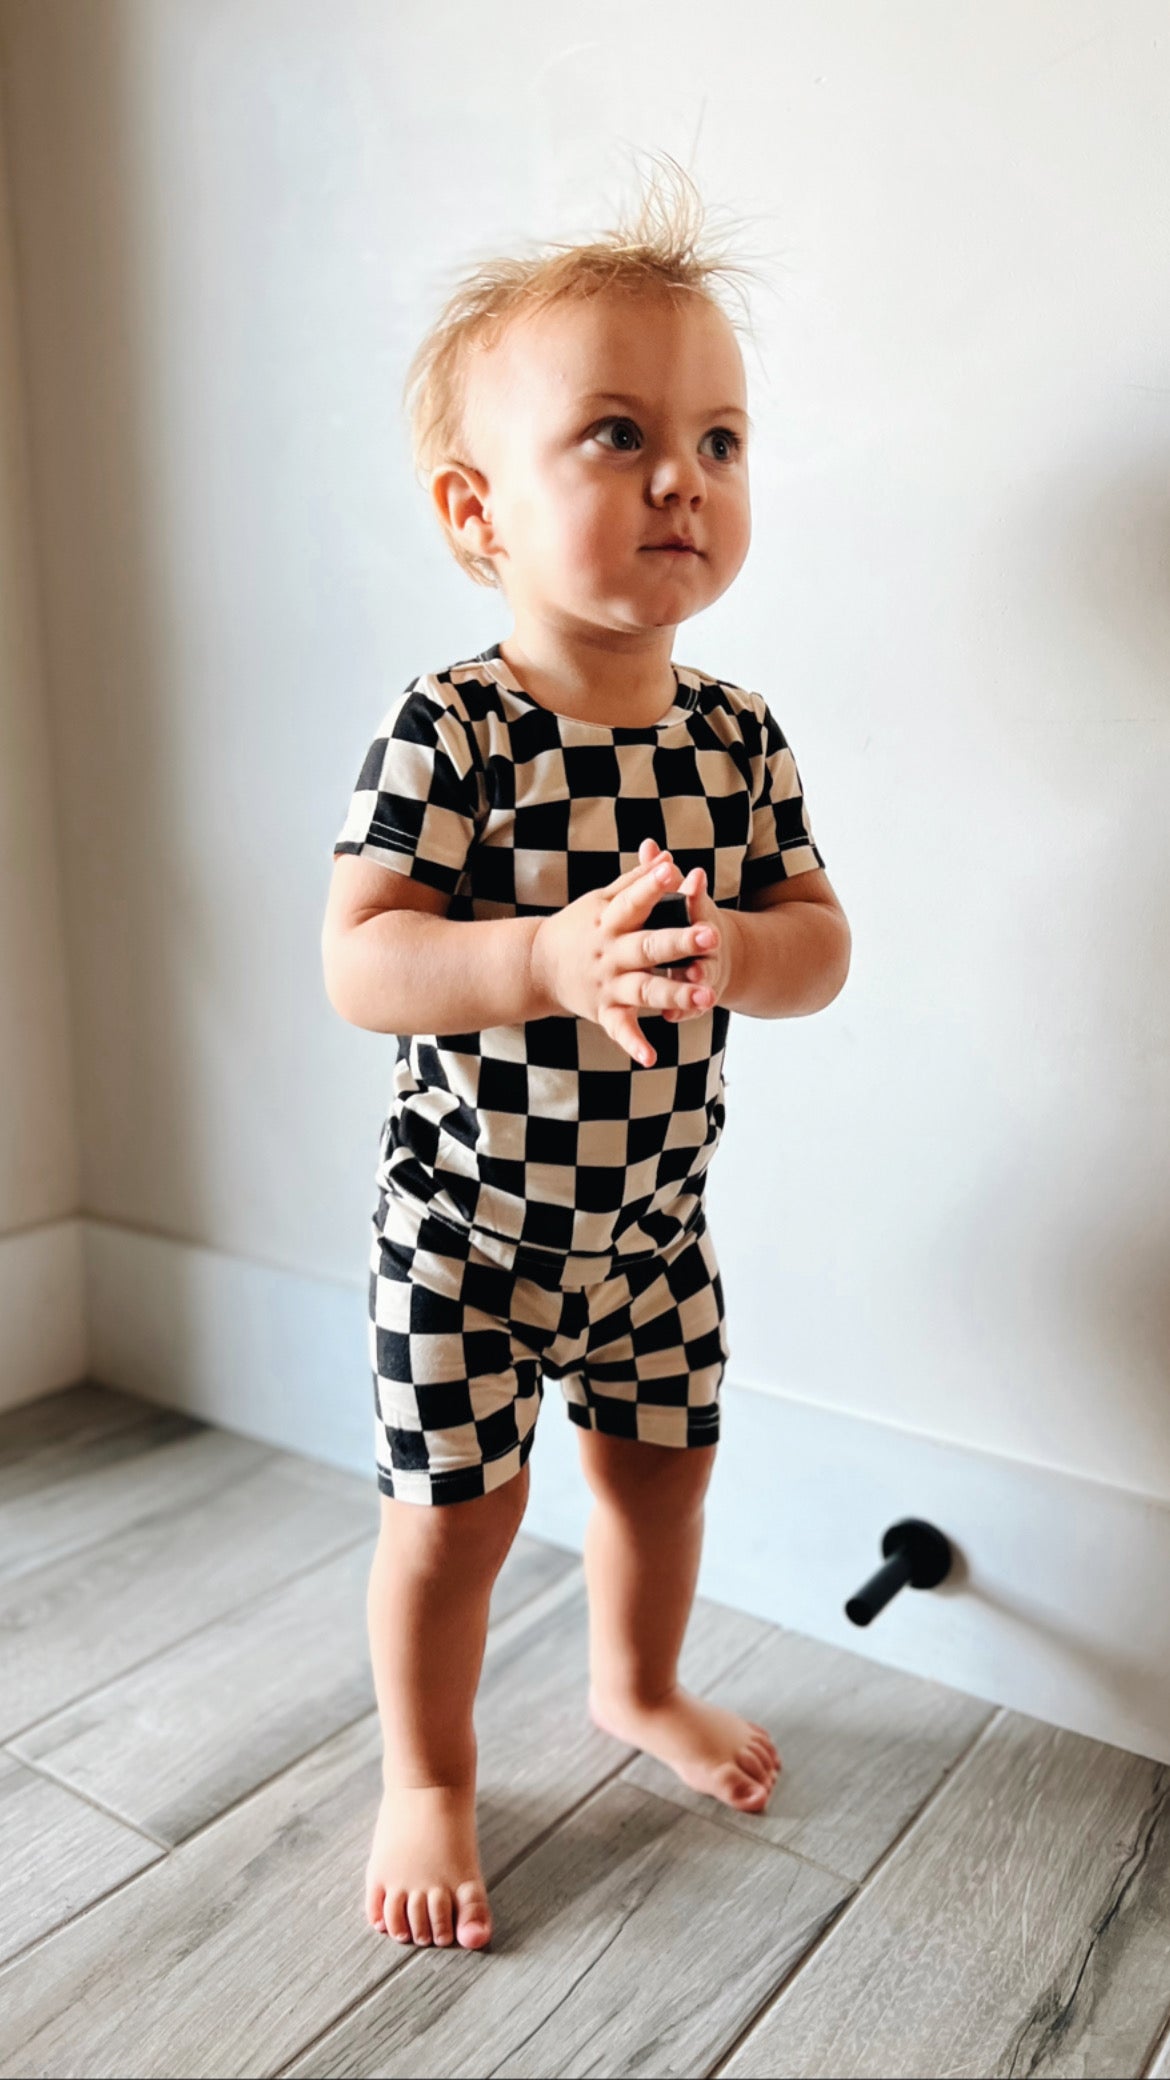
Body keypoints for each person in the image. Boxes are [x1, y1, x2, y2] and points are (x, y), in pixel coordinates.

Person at [321, 154, 851, 1953]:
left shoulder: (738, 736)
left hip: (647, 1235)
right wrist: (545, 953)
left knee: (658, 1472)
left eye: (718, 440)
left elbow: (819, 944)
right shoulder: (452, 726)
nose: (681, 479)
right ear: (477, 512)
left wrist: (747, 954)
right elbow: (363, 962)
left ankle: (637, 1682)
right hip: (461, 1238)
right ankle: (432, 1772)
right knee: (455, 1524)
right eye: (617, 434)